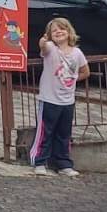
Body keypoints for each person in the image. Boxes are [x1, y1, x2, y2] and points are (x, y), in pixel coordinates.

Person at [31, 18, 88, 176]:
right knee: (45, 132)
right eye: (54, 30)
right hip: (49, 98)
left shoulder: (77, 53)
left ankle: (63, 164)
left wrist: (73, 79)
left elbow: (85, 71)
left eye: (62, 28)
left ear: (69, 32)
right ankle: (40, 161)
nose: (58, 31)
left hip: (67, 101)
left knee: (64, 134)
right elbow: (43, 46)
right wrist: (43, 40)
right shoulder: (51, 48)